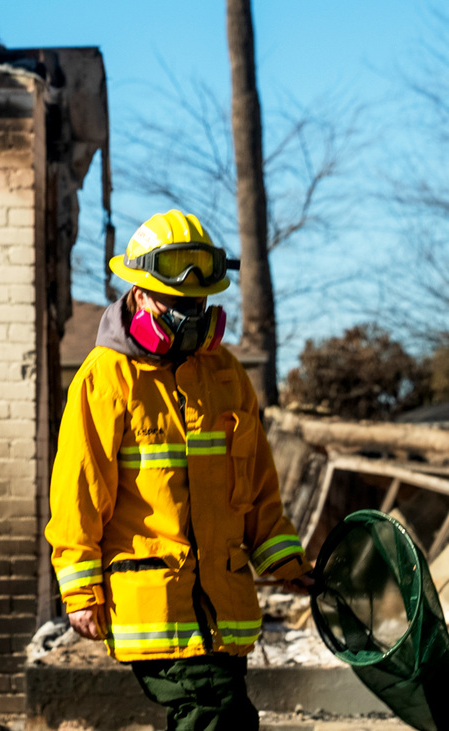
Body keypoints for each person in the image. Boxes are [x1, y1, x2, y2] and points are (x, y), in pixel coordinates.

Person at [45, 210, 312, 730]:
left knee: (213, 714)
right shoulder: (106, 378)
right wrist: (79, 590)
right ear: (140, 294)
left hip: (224, 607)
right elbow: (78, 492)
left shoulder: (228, 376)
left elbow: (258, 492)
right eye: (175, 301)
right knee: (216, 716)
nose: (189, 313)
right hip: (156, 606)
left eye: (199, 302)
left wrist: (287, 563)